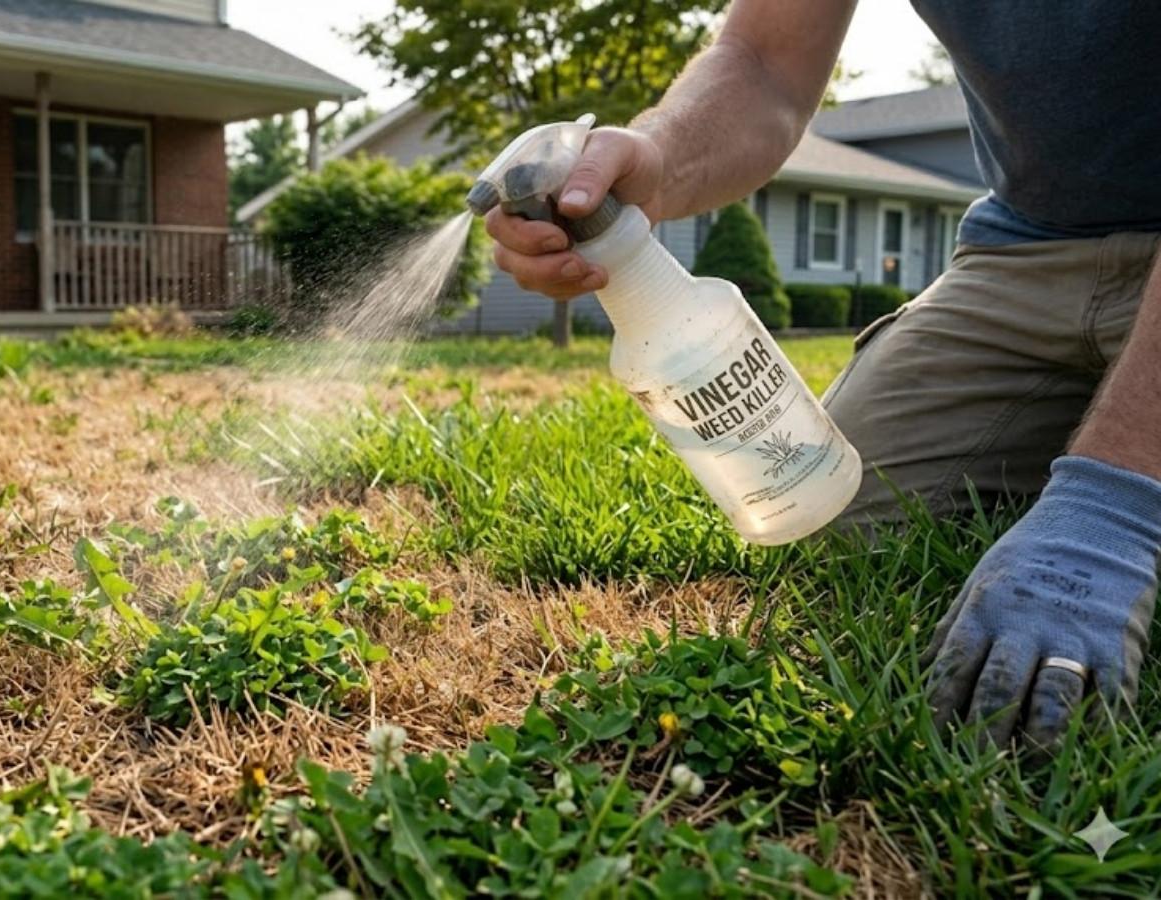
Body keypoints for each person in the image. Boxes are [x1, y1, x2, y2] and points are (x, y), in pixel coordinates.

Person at [483, 0, 1161, 749]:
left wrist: (1108, 511)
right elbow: (765, 64)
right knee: (835, 511)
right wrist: (655, 158)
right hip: (1030, 249)